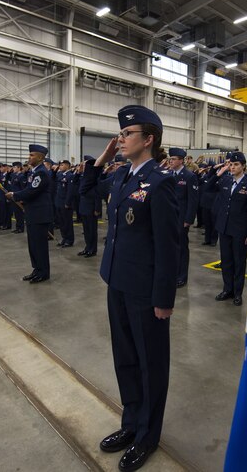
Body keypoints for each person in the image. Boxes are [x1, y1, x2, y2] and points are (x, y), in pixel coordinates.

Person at [80, 105, 179, 472]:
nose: (121, 139)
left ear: (149, 139)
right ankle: (131, 423)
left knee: (151, 363)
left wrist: (164, 299)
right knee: (126, 359)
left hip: (145, 290)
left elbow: (170, 247)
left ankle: (148, 436)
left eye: (128, 134)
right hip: (117, 282)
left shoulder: (161, 181)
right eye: (120, 134)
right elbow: (87, 188)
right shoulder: (122, 177)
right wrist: (104, 156)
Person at [208, 153, 247, 306]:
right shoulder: (225, 180)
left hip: (240, 230)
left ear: (243, 166)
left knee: (239, 262)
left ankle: (237, 293)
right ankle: (227, 289)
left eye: (236, 164)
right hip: (224, 227)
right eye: (231, 164)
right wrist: (220, 172)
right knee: (226, 261)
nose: (232, 167)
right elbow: (208, 187)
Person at [6, 144, 53, 284]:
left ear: (40, 157)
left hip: (40, 215)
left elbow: (31, 191)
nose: (29, 157)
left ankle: (43, 273)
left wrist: (14, 194)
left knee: (40, 246)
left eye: (32, 155)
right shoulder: (34, 171)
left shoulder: (42, 173)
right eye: (30, 154)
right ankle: (36, 270)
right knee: (33, 245)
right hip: (33, 214)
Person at [167, 148, 199, 287]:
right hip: (169, 216)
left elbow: (193, 200)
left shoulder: (189, 176)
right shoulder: (168, 174)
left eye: (173, 159)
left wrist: (188, 219)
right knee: (170, 246)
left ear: (181, 160)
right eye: (170, 159)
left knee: (181, 247)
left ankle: (182, 276)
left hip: (181, 217)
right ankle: (172, 272)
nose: (171, 161)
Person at [76, 155, 102, 257]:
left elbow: (98, 194)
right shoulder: (83, 176)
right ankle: (87, 248)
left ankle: (92, 250)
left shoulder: (94, 177)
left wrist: (97, 208)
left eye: (85, 163)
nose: (83, 165)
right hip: (83, 206)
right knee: (86, 230)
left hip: (91, 207)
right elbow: (75, 184)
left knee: (92, 230)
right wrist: (78, 172)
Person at [55, 160, 75, 247]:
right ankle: (64, 238)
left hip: (65, 203)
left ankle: (69, 240)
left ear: (67, 166)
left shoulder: (70, 176)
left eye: (62, 165)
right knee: (61, 222)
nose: (60, 166)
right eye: (60, 165)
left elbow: (70, 191)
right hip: (59, 201)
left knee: (67, 222)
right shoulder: (59, 174)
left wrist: (67, 202)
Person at [10, 162, 27, 233]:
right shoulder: (14, 175)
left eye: (14, 167)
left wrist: (22, 199)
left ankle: (21, 228)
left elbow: (23, 188)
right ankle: (17, 227)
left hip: (19, 197)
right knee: (16, 213)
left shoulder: (22, 176)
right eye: (13, 167)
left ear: (19, 168)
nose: (13, 169)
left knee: (20, 214)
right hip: (14, 197)